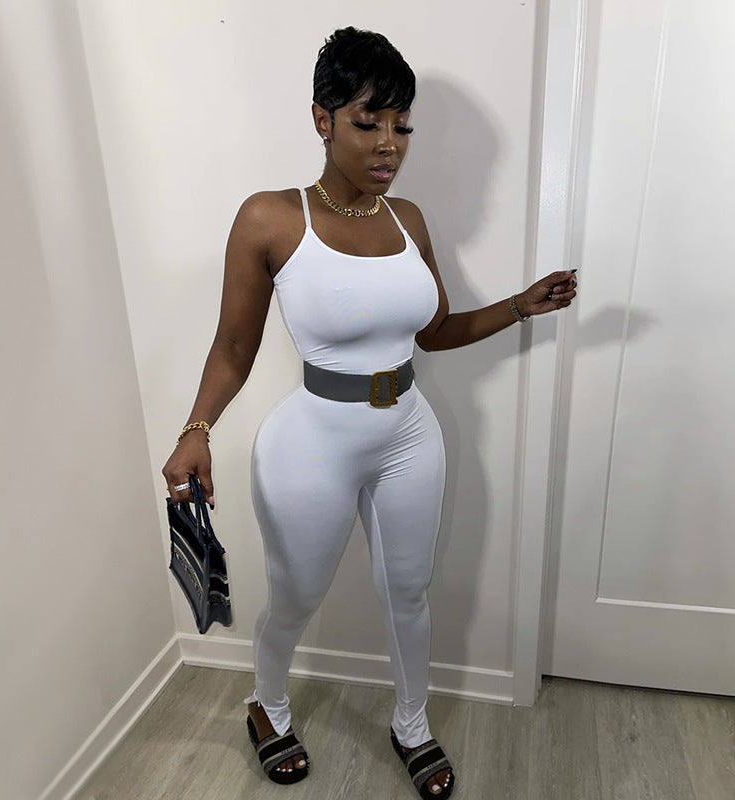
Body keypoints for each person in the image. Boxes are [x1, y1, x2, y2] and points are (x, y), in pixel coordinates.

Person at [162, 26, 576, 799]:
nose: (390, 144)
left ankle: (411, 723)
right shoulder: (271, 219)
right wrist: (197, 429)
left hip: (409, 433)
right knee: (296, 594)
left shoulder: (407, 219)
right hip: (313, 441)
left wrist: (520, 305)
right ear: (322, 120)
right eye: (368, 121)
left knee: (409, 590)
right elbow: (234, 346)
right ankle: (267, 706)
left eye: (402, 125)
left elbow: (434, 333)